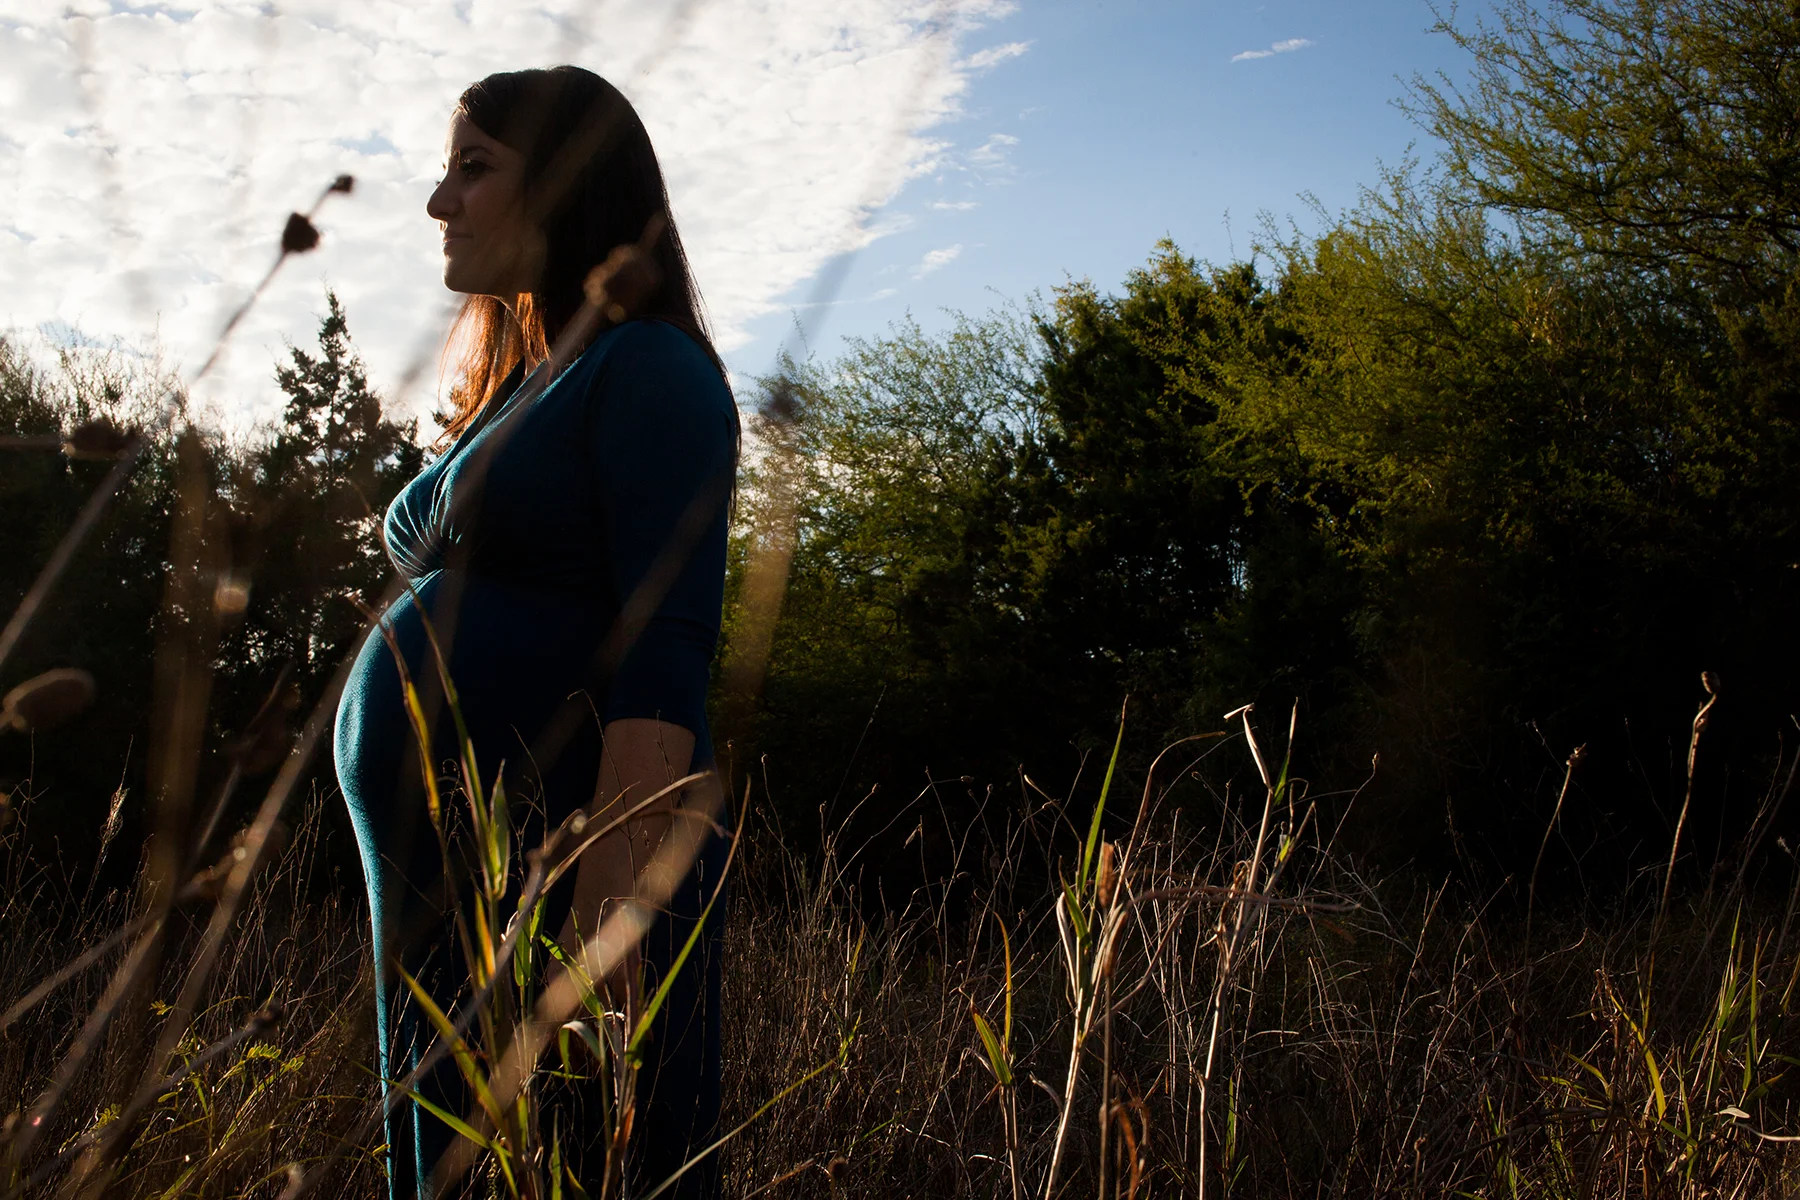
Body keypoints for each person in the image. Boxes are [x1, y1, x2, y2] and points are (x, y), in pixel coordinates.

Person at [333, 65, 736, 1200]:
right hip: (447, 904)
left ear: (563, 185)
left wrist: (608, 939)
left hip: (559, 902)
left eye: (473, 169)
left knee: (567, 1162)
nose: (438, 204)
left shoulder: (648, 365)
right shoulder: (528, 385)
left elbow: (667, 659)